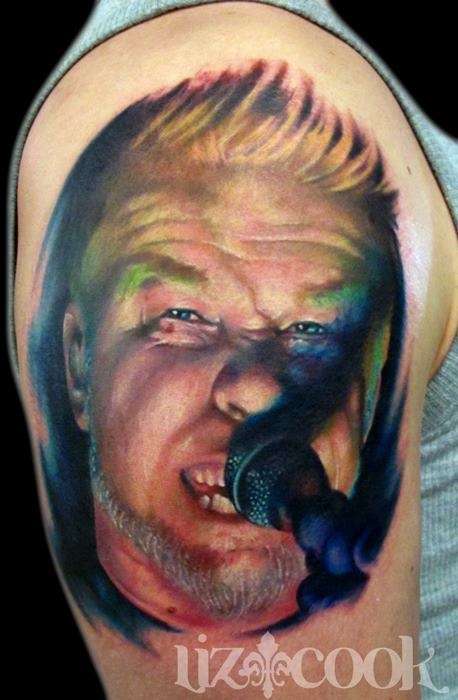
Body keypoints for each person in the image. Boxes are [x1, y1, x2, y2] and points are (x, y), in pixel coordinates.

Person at [9, 1, 457, 698]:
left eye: (310, 329)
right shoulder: (228, 50)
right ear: (75, 365)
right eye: (184, 316)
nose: (257, 389)